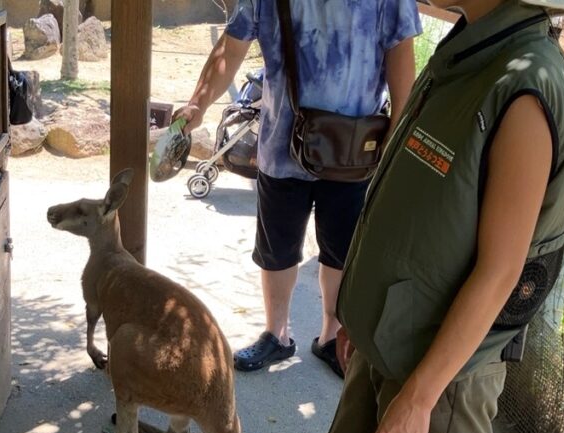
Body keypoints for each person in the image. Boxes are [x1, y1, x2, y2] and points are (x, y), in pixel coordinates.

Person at [222, 0, 564, 433]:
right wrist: (362, 323)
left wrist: (418, 398)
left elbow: (500, 273)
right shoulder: (469, 49)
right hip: (388, 336)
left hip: (442, 375)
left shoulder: (526, 88)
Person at [173, 0, 421, 377]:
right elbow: (232, 46)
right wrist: (197, 103)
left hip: (354, 151)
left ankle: (331, 337)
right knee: (277, 248)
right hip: (282, 148)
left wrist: (398, 131)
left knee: (341, 251)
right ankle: (277, 334)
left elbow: (401, 55)